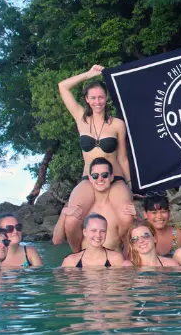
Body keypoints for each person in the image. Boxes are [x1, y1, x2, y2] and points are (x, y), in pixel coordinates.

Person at [57, 65, 133, 252]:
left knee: (127, 217)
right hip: (88, 179)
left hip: (115, 179)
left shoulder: (117, 124)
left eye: (101, 97)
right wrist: (88, 75)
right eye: (93, 97)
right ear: (86, 99)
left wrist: (130, 186)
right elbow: (63, 86)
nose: (97, 101)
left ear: (106, 98)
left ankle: (125, 253)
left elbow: (123, 158)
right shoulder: (80, 118)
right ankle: (78, 255)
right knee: (72, 219)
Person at [54, 158, 135, 252]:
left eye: (104, 175)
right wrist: (63, 213)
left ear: (112, 177)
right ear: (90, 178)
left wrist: (137, 216)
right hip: (84, 264)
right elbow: (56, 241)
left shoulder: (119, 209)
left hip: (114, 264)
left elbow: (137, 237)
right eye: (95, 176)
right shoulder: (81, 209)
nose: (100, 179)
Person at [61, 213, 126, 268]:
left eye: (102, 231)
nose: (98, 235)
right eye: (93, 230)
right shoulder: (71, 261)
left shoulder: (116, 259)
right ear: (85, 232)